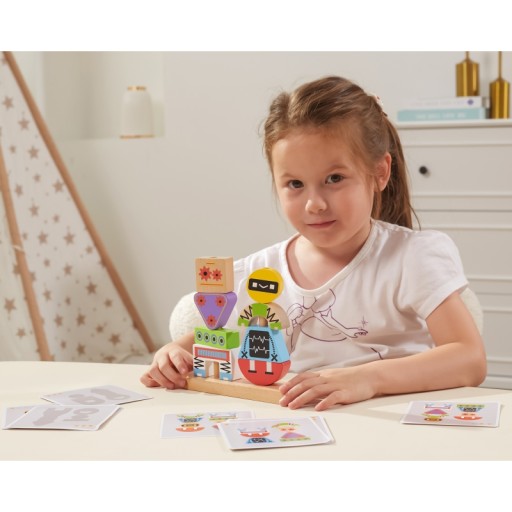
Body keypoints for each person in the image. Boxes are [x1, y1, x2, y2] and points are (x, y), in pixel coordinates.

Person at [140, 76, 487, 411]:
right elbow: (214, 336)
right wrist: (174, 352)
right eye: (295, 184)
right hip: (297, 429)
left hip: (390, 425)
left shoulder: (411, 258)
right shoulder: (259, 274)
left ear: (380, 173)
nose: (314, 204)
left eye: (334, 178)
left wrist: (367, 379)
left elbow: (469, 359)